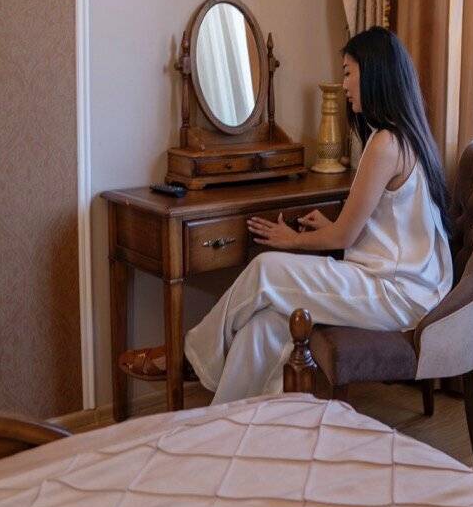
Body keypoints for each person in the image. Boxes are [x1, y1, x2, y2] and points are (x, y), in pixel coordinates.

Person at [185, 26, 453, 404]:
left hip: (395, 294)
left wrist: (293, 239)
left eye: (348, 73)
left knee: (265, 269)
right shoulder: (408, 136)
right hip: (402, 286)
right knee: (267, 323)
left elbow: (344, 238)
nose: (344, 85)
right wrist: (332, 227)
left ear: (373, 74)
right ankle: (231, 418)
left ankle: (193, 357)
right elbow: (392, 228)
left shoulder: (385, 143)